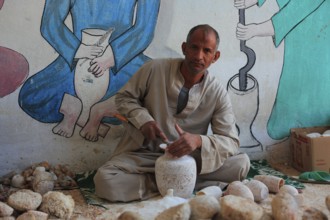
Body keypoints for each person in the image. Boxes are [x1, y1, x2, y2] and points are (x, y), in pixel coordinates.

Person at [94, 24, 250, 202]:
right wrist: (143, 120)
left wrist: (198, 140)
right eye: (194, 47)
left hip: (189, 159)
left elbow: (230, 141)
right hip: (146, 156)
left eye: (207, 51)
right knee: (105, 179)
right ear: (184, 48)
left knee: (241, 165)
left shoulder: (217, 92)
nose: (199, 56)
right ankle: (179, 183)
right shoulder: (154, 69)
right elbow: (123, 98)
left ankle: (168, 182)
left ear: (215, 57)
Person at [18, 0, 160, 141]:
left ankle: (99, 109)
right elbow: (50, 23)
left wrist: (112, 55)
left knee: (161, 90)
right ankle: (84, 112)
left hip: (124, 59)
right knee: (31, 97)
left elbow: (144, 29)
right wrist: (80, 50)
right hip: (78, 59)